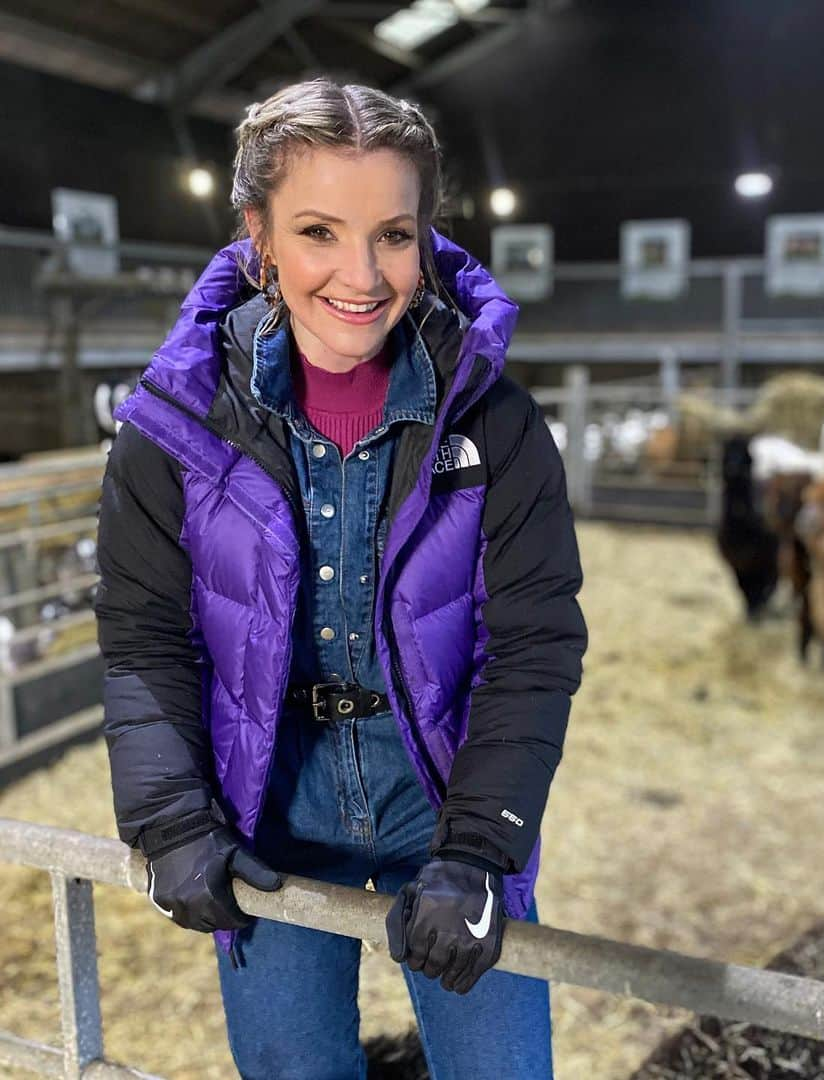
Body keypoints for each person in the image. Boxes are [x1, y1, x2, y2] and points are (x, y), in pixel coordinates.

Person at [94, 78, 587, 1080]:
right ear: (258, 236)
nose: (362, 274)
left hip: (441, 804)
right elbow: (144, 637)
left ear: (424, 238)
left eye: (393, 235)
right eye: (319, 230)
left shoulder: (495, 425)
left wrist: (484, 844)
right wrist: (173, 821)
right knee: (290, 1070)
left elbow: (533, 646)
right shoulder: (174, 428)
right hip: (268, 810)